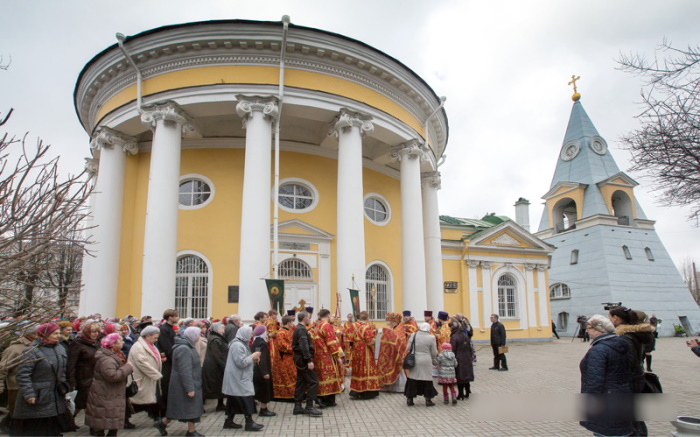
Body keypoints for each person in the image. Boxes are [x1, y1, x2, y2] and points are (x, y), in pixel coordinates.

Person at [579, 315, 634, 437]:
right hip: (622, 396)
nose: (586, 331)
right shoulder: (621, 344)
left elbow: (595, 381)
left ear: (598, 329)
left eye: (589, 328)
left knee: (605, 433)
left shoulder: (599, 350)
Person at [11, 323, 69, 436]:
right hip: (37, 397)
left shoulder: (60, 348)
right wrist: (29, 394)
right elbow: (23, 375)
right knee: (36, 430)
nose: (58, 336)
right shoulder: (32, 351)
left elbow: (62, 370)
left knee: (52, 429)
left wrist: (63, 386)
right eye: (55, 333)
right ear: (44, 334)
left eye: (58, 333)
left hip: (55, 396)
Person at [608, 306, 655, 436]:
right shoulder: (636, 334)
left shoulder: (625, 337)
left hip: (628, 381)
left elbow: (627, 362)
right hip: (635, 377)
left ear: (616, 318)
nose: (609, 320)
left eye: (610, 317)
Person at [85, 333, 134, 436]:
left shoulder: (115, 354)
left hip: (109, 393)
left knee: (109, 421)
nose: (123, 342)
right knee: (105, 422)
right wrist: (128, 368)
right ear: (113, 344)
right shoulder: (107, 359)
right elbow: (112, 376)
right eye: (120, 340)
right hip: (106, 393)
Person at [127, 325, 167, 436]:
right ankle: (125, 419)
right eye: (154, 337)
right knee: (138, 402)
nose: (156, 339)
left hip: (150, 378)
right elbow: (142, 364)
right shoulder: (138, 347)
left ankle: (157, 419)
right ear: (147, 336)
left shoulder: (150, 345)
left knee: (152, 399)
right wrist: (157, 375)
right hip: (143, 379)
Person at [222, 326, 264, 431]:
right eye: (250, 333)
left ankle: (229, 421)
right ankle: (249, 423)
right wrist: (253, 356)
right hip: (238, 377)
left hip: (238, 377)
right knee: (246, 398)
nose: (251, 335)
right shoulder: (237, 345)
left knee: (233, 398)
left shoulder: (240, 343)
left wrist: (252, 359)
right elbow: (241, 362)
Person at [167, 327, 204, 437]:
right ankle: (191, 432)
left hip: (190, 382)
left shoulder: (188, 346)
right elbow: (185, 370)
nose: (200, 337)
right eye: (198, 335)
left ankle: (162, 423)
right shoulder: (184, 349)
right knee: (189, 408)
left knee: (187, 408)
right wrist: (190, 388)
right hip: (185, 384)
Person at [0, 325, 36, 432]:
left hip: (32, 386)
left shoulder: (37, 347)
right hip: (16, 386)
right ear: (31, 335)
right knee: (16, 413)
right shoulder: (14, 349)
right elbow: (2, 368)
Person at [67, 320, 100, 421]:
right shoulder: (78, 343)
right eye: (93, 332)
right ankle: (93, 425)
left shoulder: (96, 343)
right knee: (85, 402)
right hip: (82, 378)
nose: (96, 334)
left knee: (83, 402)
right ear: (87, 332)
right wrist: (71, 380)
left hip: (93, 377)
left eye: (97, 332)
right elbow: (71, 364)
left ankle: (69, 420)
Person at [311, 309, 344, 408]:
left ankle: (326, 399)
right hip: (326, 355)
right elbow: (331, 342)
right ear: (328, 315)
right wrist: (337, 356)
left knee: (321, 376)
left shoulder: (317, 326)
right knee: (329, 376)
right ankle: (326, 400)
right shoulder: (326, 326)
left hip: (318, 356)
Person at [291, 311, 322, 416]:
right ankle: (309, 406)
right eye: (308, 318)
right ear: (304, 319)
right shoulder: (302, 330)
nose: (310, 319)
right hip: (303, 359)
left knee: (301, 382)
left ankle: (297, 406)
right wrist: (309, 360)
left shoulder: (298, 329)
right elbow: (304, 346)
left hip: (299, 358)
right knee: (313, 381)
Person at [404, 322, 438, 407]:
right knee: (426, 380)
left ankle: (410, 399)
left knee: (412, 379)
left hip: (415, 360)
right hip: (426, 361)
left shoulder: (413, 335)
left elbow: (408, 347)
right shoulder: (431, 338)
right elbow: (434, 353)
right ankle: (428, 400)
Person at [348, 311, 380, 400]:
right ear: (367, 318)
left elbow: (350, 339)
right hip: (365, 353)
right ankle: (367, 391)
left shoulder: (355, 326)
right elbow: (370, 341)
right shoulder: (365, 328)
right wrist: (374, 336)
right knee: (367, 370)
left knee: (358, 371)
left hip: (356, 353)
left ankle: (356, 391)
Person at [157, 309, 179, 416]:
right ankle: (164, 411)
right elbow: (167, 347)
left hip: (171, 361)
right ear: (170, 317)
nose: (177, 318)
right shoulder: (164, 330)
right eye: (175, 316)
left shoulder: (169, 329)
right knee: (166, 386)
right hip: (167, 363)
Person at [377, 312, 406, 393]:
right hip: (389, 353)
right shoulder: (392, 330)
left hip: (396, 354)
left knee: (397, 369)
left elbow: (400, 343)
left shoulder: (399, 330)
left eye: (391, 322)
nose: (389, 324)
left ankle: (397, 387)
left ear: (395, 322)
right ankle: (388, 386)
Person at [202, 322, 227, 412]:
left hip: (214, 365)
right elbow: (218, 355)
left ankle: (220, 404)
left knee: (219, 386)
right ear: (217, 329)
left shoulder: (214, 338)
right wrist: (224, 365)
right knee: (211, 386)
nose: (224, 331)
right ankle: (201, 407)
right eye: (222, 328)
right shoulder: (216, 340)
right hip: (214, 366)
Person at [251, 325, 276, 417]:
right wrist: (265, 372)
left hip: (255, 369)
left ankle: (253, 407)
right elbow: (262, 358)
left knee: (257, 388)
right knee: (264, 389)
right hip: (261, 370)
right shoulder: (262, 343)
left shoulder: (255, 342)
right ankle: (263, 409)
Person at [271, 315, 296, 400]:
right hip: (283, 358)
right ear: (288, 323)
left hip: (289, 357)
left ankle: (292, 394)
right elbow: (282, 346)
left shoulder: (288, 331)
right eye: (292, 322)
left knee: (291, 375)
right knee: (287, 375)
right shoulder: (281, 332)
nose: (293, 324)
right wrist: (295, 349)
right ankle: (286, 395)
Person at [449, 317, 474, 400]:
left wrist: (452, 359)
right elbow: (470, 347)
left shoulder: (454, 337)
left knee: (460, 377)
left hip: (459, 358)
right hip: (467, 357)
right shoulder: (464, 335)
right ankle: (467, 392)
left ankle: (460, 394)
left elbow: (453, 349)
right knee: (466, 376)